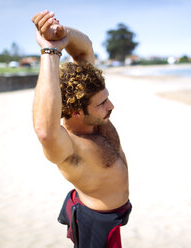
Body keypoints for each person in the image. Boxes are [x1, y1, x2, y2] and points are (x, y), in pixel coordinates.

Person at [31, 10, 131, 248]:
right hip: (96, 223)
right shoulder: (70, 147)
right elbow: (45, 130)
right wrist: (49, 50)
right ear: (76, 112)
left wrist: (61, 35)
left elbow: (84, 48)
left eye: (107, 98)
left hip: (115, 214)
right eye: (102, 103)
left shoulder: (93, 113)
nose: (111, 106)